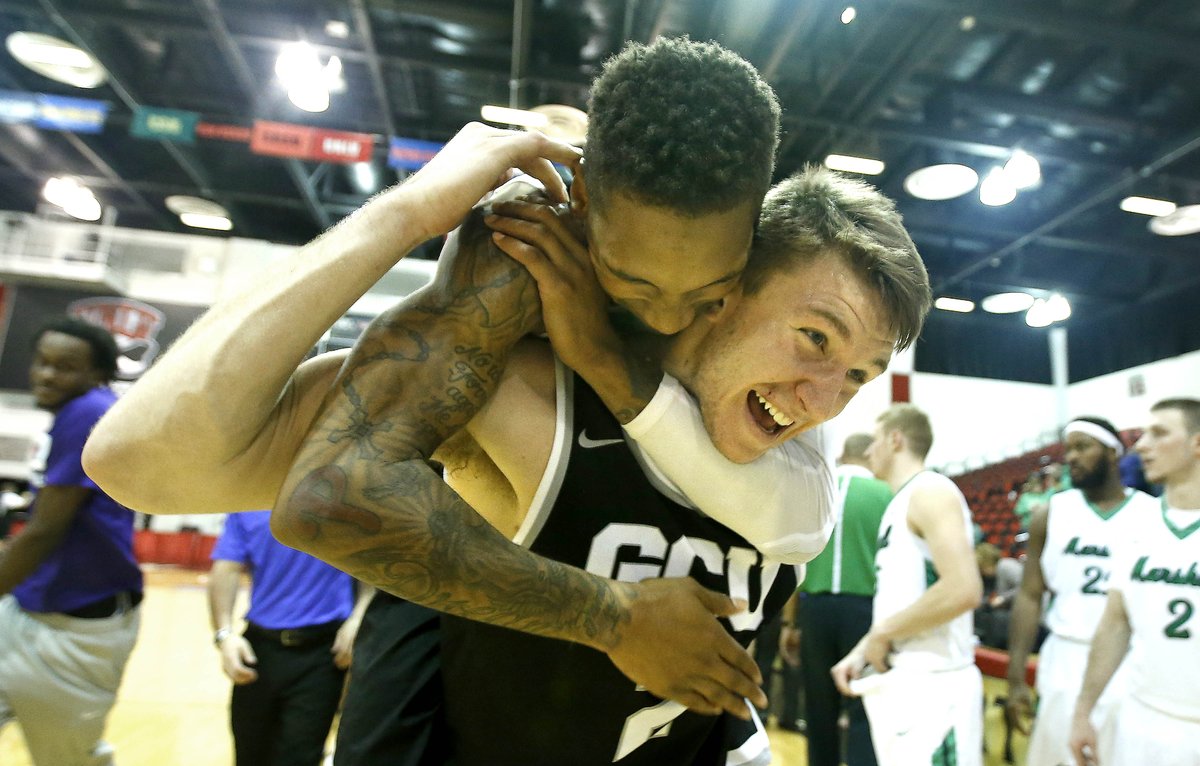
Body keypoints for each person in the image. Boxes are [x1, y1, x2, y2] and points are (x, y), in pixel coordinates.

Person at [83, 123, 929, 751]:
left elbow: (766, 597)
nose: (826, 398)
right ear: (727, 291)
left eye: (860, 375)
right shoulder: (522, 386)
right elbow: (139, 462)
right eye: (814, 339)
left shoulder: (800, 466)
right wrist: (411, 210)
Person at [0, 317, 142, 766]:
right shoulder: (80, 411)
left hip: (75, 629)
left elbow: (45, 531)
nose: (46, 374)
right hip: (31, 609)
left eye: (65, 367)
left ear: (97, 373)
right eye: (42, 362)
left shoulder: (86, 411)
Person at [832, 404, 983, 766]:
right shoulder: (899, 502)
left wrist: (882, 634)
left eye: (875, 441)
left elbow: (963, 589)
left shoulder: (931, 491)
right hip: (906, 683)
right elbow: (903, 598)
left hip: (936, 686)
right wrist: (862, 649)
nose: (868, 451)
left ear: (895, 440)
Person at [1005, 416, 1157, 764]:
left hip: (1129, 660)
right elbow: (1030, 596)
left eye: (1082, 447)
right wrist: (1015, 678)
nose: (1071, 457)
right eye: (1068, 449)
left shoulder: (1151, 515)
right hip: (1065, 659)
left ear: (1112, 453)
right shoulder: (1050, 512)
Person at [1069, 398, 1200, 766]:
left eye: (1159, 433)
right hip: (1141, 717)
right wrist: (1083, 712)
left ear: (1197, 443)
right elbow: (1115, 624)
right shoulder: (1137, 522)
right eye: (1143, 434)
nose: (1141, 445)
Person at [208, 510, 373, 766]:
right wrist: (224, 634)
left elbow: (368, 562)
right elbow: (226, 568)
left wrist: (358, 618)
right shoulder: (246, 507)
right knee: (249, 754)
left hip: (322, 653)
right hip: (259, 650)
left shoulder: (342, 500)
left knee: (300, 756)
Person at [787, 433, 890, 766]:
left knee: (818, 707)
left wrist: (791, 622)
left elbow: (792, 562)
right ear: (871, 455)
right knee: (865, 707)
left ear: (844, 454)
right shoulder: (888, 493)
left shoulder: (817, 490)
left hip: (814, 609)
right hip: (865, 611)